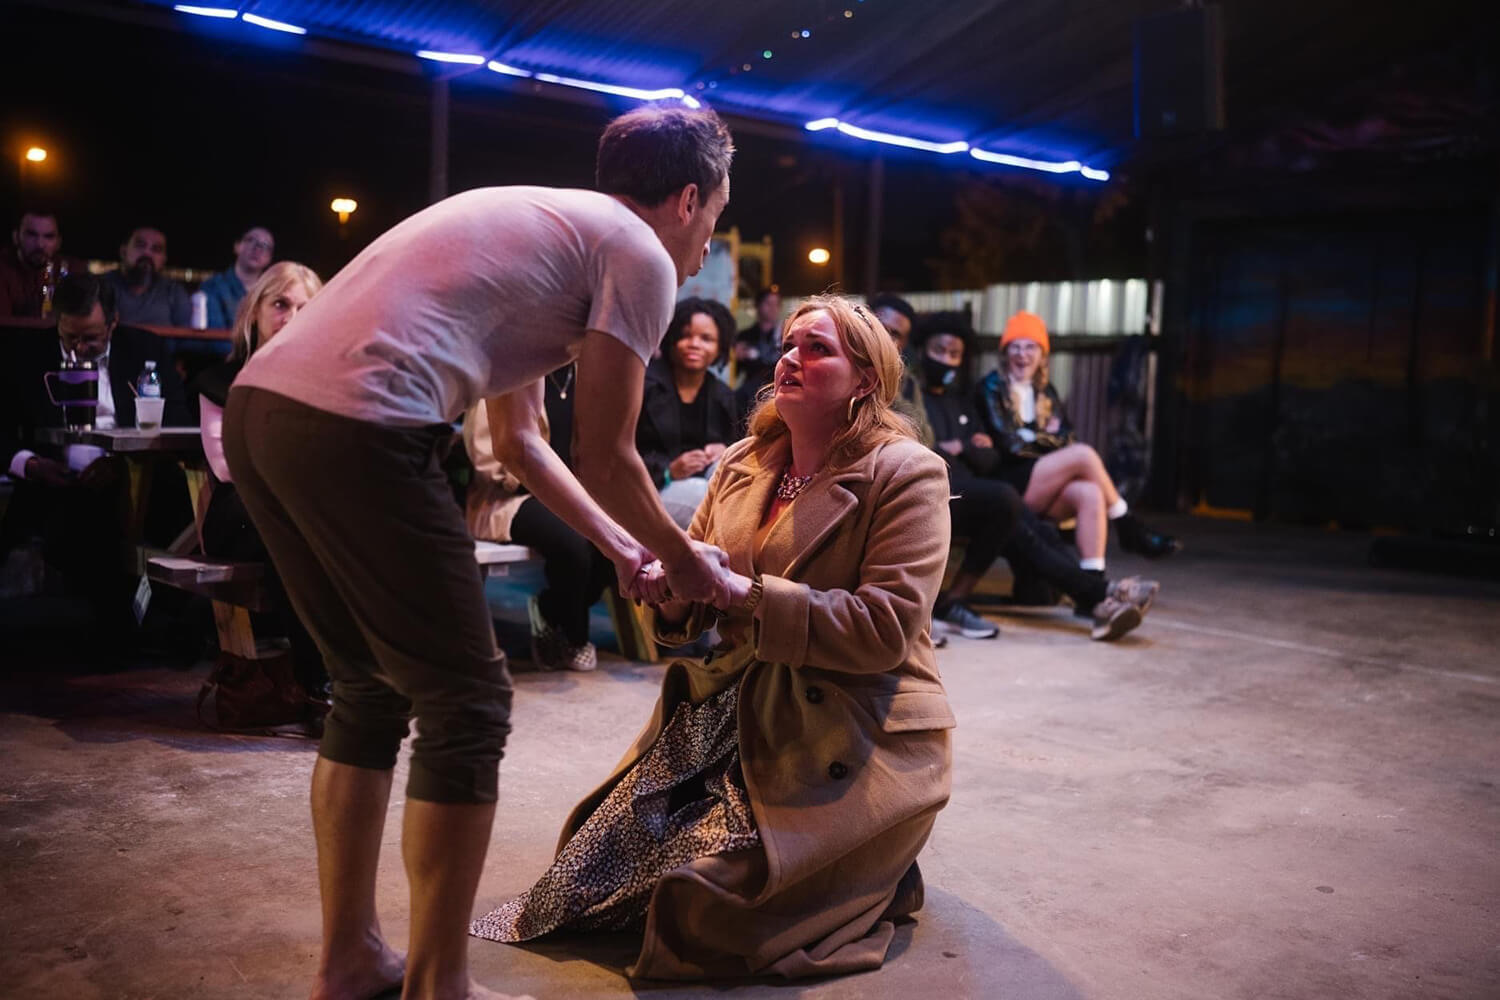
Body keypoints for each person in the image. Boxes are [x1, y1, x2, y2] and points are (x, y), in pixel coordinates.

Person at [222, 103, 735, 1000]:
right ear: (690, 198)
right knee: (467, 703)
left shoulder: (552, 231)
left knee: (372, 688)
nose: (709, 245)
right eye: (720, 217)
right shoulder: (640, 254)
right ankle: (440, 984)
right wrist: (687, 560)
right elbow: (608, 455)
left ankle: (351, 962)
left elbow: (529, 444)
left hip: (262, 413)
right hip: (360, 421)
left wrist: (621, 547)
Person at [473, 296, 956, 980]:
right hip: (738, 707)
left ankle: (872, 863)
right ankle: (854, 868)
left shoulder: (906, 472)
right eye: (789, 346)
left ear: (867, 379)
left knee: (701, 905)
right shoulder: (742, 463)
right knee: (586, 875)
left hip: (850, 723)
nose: (790, 359)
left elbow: (884, 629)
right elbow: (691, 602)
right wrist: (666, 590)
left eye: (817, 349)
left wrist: (744, 594)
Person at [918, 318, 1155, 641]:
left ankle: (1096, 596)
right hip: (967, 488)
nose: (946, 360)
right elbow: (998, 449)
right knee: (1032, 492)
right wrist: (966, 447)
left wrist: (966, 449)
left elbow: (989, 454)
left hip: (983, 487)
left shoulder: (964, 399)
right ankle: (1105, 580)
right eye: (939, 351)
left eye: (953, 353)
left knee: (1070, 503)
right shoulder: (972, 390)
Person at [0, 273, 191, 641]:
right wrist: (31, 463)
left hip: (136, 474)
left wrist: (123, 462)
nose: (79, 348)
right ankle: (128, 631)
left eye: (91, 337)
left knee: (178, 507)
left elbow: (179, 418)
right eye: (69, 337)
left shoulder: (144, 349)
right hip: (56, 479)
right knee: (84, 526)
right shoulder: (26, 354)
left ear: (113, 322)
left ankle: (161, 621)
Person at [192, 261, 327, 708]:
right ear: (254, 312)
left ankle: (365, 679)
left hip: (302, 510)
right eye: (281, 304)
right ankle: (319, 683)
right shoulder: (220, 382)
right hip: (240, 511)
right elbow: (229, 467)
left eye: (305, 308)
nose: (291, 317)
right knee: (300, 530)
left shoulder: (329, 383)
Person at [976, 311, 1181, 568]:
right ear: (1005, 354)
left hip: (1043, 481)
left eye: (1030, 347)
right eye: (1014, 347)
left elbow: (1067, 437)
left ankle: (1093, 582)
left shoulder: (1046, 392)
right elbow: (1012, 445)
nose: (1022, 354)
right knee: (1083, 455)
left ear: (1042, 354)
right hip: (1010, 483)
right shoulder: (991, 386)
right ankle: (1127, 524)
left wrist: (1036, 437)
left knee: (1091, 492)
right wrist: (1049, 437)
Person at [463, 372, 613, 673]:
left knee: (614, 538)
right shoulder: (514, 368)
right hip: (511, 495)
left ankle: (550, 610)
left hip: (578, 494)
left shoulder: (586, 377)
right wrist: (556, 489)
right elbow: (488, 459)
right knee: (573, 539)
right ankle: (571, 637)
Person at [637, 296, 739, 527]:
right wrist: (668, 471)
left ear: (719, 347)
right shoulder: (644, 386)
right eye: (685, 336)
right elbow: (616, 454)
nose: (694, 344)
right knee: (704, 497)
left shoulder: (722, 395)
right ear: (672, 339)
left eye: (706, 338)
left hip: (703, 487)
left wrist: (725, 450)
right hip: (649, 490)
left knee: (726, 470)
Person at [98, 226, 192, 328]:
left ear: (164, 259)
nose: (147, 253)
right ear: (123, 251)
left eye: (156, 249)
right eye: (140, 245)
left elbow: (186, 338)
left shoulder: (174, 292)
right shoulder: (100, 286)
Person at [0, 210, 85, 318]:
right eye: (32, 235)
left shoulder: (72, 269)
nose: (40, 245)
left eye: (48, 236)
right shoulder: (3, 268)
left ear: (58, 242)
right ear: (16, 237)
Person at [199, 226, 275, 329]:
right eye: (251, 240)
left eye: (265, 246)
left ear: (269, 258)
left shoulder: (273, 292)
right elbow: (216, 337)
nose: (258, 248)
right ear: (237, 246)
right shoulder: (213, 286)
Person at [731, 286, 780, 415]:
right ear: (758, 306)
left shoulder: (784, 335)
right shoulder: (745, 336)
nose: (773, 308)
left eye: (776, 304)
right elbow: (734, 372)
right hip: (750, 395)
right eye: (768, 303)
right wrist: (734, 356)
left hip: (776, 390)